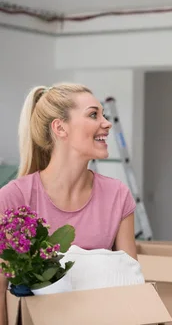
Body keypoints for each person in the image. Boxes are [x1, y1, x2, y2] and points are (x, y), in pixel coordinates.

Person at [0, 83, 138, 324]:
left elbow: (130, 285)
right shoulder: (15, 198)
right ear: (60, 127)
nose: (106, 123)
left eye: (103, 115)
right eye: (93, 114)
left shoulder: (118, 196)